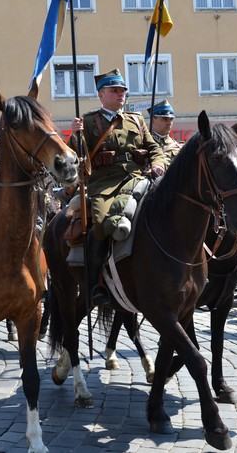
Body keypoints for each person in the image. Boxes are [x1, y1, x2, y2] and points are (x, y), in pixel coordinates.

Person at [70, 68, 167, 305]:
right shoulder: (89, 122)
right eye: (114, 90)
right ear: (102, 94)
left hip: (135, 178)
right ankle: (96, 284)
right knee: (102, 224)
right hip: (103, 183)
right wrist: (76, 136)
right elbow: (77, 156)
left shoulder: (136, 120)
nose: (120, 94)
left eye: (122, 90)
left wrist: (157, 163)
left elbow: (154, 148)